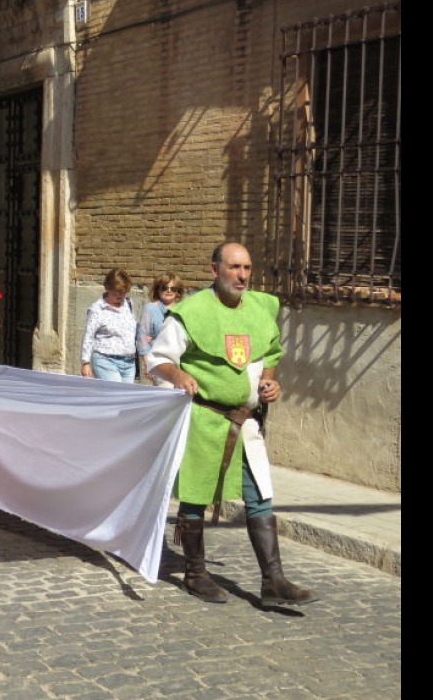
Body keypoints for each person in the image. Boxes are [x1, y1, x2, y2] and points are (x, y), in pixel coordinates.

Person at [145, 242, 317, 607]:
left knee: (260, 495)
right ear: (214, 270)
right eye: (234, 267)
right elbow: (157, 359)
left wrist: (269, 382)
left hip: (245, 420)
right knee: (195, 494)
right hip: (203, 419)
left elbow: (270, 353)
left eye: (247, 268)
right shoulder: (189, 313)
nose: (242, 275)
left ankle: (273, 581)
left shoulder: (261, 307)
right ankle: (194, 573)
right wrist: (177, 375)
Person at [79, 268, 139, 382]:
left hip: (129, 363)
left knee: (126, 399)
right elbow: (89, 336)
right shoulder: (97, 309)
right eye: (117, 290)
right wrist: (85, 362)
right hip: (106, 360)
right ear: (108, 287)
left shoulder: (129, 305)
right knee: (116, 396)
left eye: (124, 291)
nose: (120, 295)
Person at [137, 272, 185, 387]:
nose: (169, 291)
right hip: (161, 363)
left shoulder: (183, 309)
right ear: (158, 290)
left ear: (178, 292)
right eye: (164, 288)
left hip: (182, 363)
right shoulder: (151, 309)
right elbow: (142, 338)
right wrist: (148, 364)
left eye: (173, 288)